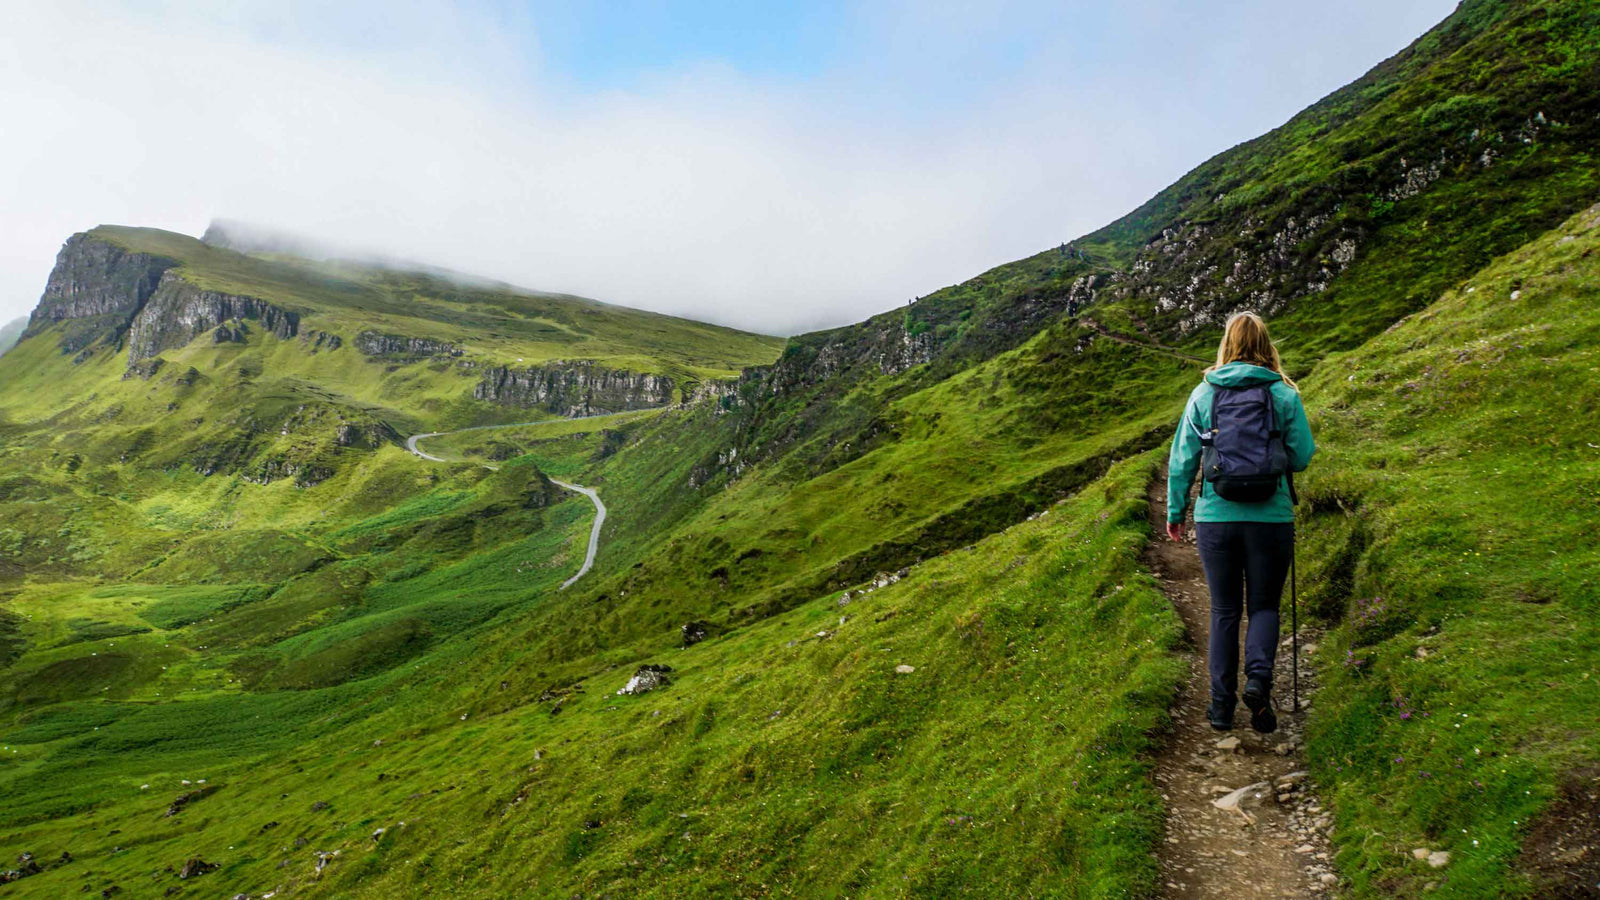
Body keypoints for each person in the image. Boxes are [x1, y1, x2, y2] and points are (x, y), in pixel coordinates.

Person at [1165, 311, 1315, 733]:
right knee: (1265, 605)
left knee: (1225, 609)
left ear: (1226, 345)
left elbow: (1181, 463)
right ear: (1267, 345)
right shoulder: (1283, 395)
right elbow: (1302, 456)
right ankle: (1259, 681)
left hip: (1216, 517)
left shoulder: (1203, 394)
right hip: (1271, 517)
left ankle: (1219, 708)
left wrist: (1176, 513)